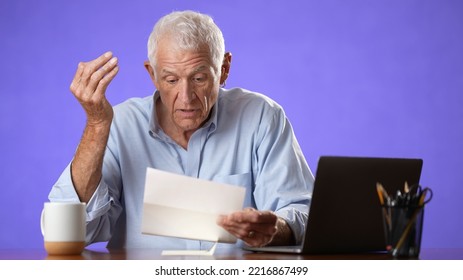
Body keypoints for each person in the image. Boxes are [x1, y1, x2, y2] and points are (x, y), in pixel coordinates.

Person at [49, 10, 314, 250]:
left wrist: (275, 228)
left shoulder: (261, 117)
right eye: (171, 79)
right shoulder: (119, 123)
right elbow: (68, 231)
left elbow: (303, 213)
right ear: (152, 74)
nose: (185, 97)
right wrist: (96, 126)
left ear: (224, 69)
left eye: (199, 78)